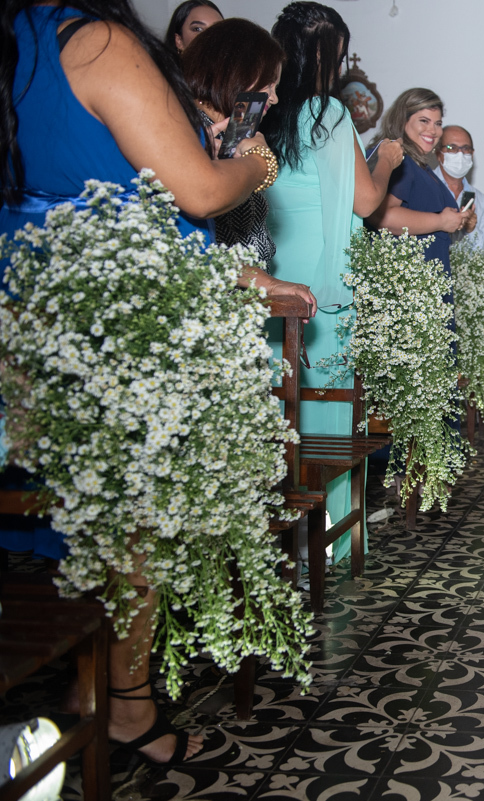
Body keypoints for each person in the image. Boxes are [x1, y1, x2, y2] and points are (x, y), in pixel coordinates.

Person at [1, 0, 277, 767]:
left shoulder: (18, 40)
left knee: (88, 511)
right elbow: (194, 191)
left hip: (35, 294)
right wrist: (255, 163)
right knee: (138, 523)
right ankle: (125, 708)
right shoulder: (95, 41)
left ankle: (87, 692)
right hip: (112, 312)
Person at [261, 1, 405, 567]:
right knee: (325, 411)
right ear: (328, 56)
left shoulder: (262, 111)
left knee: (278, 400)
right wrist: (386, 158)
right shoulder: (328, 112)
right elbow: (367, 203)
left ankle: (272, 530)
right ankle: (327, 542)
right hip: (321, 280)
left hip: (270, 270)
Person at [182, 18, 316, 314]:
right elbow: (197, 245)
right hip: (204, 303)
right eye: (268, 85)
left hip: (236, 299)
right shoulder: (188, 131)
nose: (275, 98)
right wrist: (265, 281)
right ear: (235, 73)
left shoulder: (231, 132)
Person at [367, 88, 473, 278]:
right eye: (424, 121)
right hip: (405, 286)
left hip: (424, 284)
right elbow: (383, 218)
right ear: (402, 120)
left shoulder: (420, 166)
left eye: (438, 123)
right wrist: (441, 221)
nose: (433, 130)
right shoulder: (398, 159)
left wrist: (457, 222)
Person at [434, 125, 484, 251]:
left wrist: (472, 230)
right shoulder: (424, 187)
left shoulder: (478, 199)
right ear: (438, 154)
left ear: (472, 154)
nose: (460, 154)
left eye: (466, 149)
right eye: (452, 148)